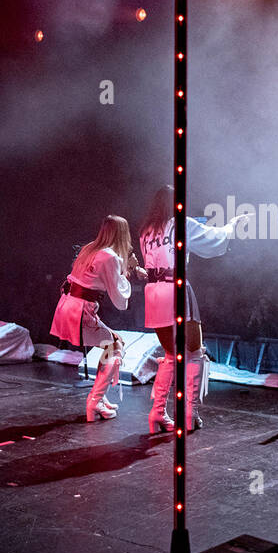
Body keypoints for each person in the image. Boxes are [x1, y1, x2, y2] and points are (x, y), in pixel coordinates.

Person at [138, 185, 247, 433]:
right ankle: (189, 412)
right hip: (174, 288)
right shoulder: (181, 224)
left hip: (153, 292)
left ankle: (156, 412)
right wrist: (232, 225)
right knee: (195, 352)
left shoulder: (145, 232)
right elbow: (214, 239)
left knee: (169, 355)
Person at [50, 215, 144, 422]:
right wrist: (128, 269)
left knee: (113, 343)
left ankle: (99, 397)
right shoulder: (109, 256)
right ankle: (95, 400)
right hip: (80, 311)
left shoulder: (89, 248)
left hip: (68, 305)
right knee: (115, 346)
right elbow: (120, 301)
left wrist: (130, 268)